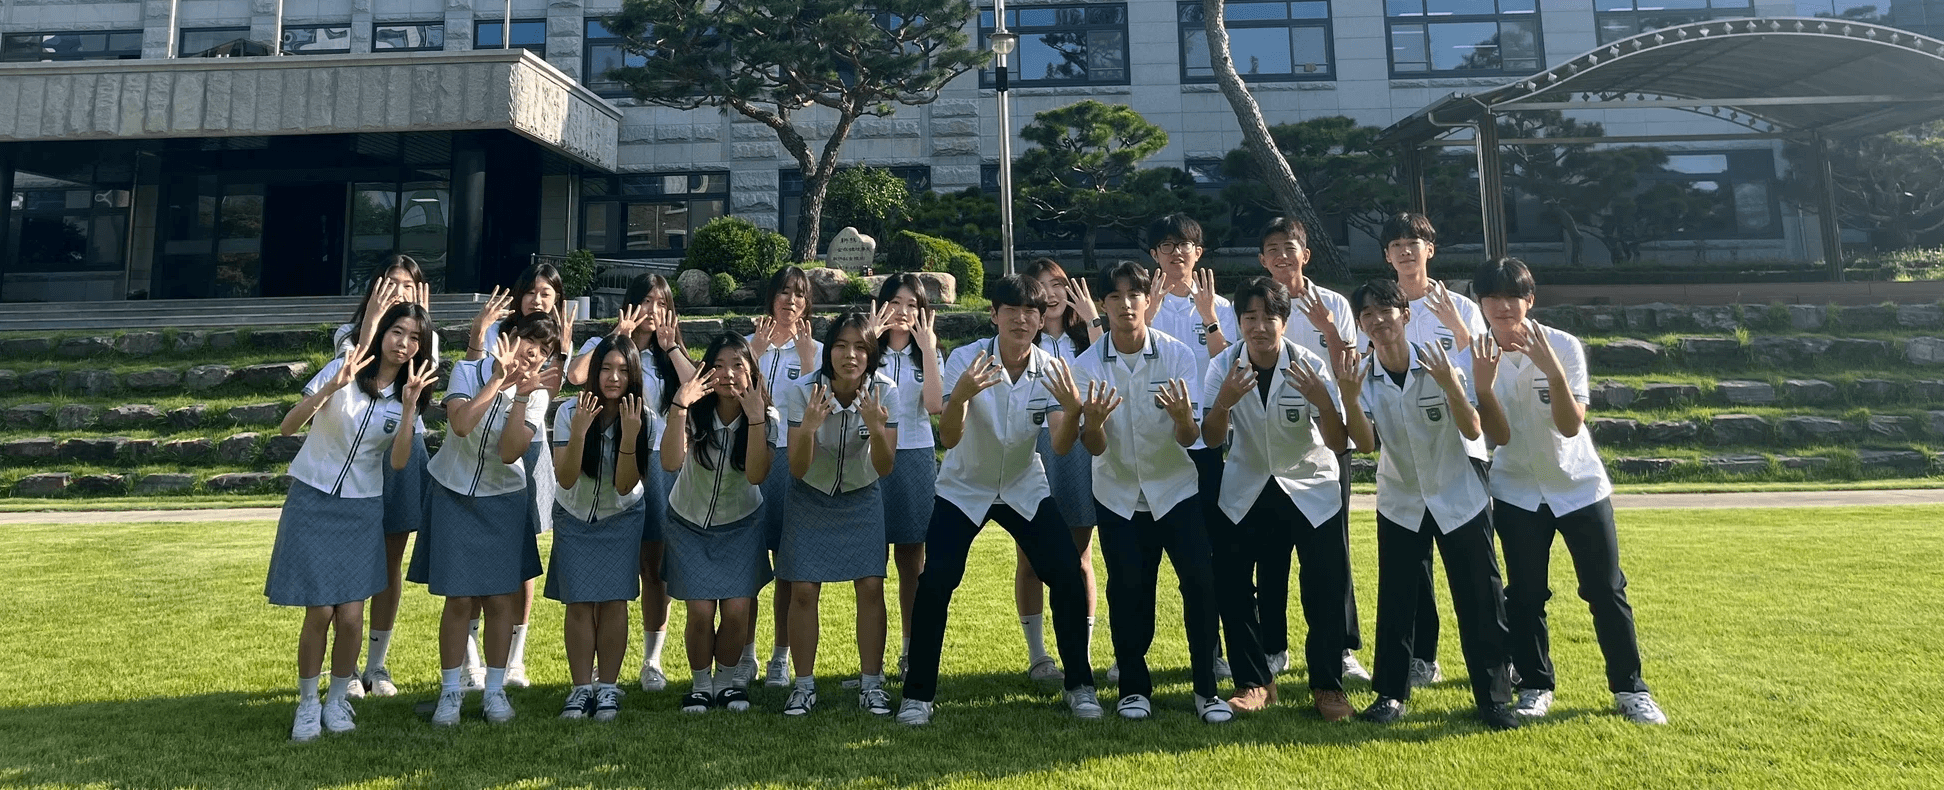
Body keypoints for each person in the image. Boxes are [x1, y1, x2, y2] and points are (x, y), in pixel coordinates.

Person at [1471, 257, 1668, 726]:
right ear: (1480, 303)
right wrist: (1483, 384)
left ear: (1530, 300)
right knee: (1525, 595)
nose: (1502, 306)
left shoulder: (1563, 346)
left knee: (1605, 590)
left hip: (1579, 487)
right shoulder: (1474, 353)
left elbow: (1569, 424)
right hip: (1516, 489)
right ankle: (1536, 685)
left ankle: (1630, 688)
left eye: (1512, 296)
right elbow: (1496, 437)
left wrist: (1552, 371)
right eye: (1492, 297)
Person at [897, 275, 1101, 726]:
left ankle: (1080, 685)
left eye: (1032, 311)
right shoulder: (966, 359)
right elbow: (948, 437)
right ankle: (917, 696)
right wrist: (963, 398)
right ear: (994, 314)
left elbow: (1063, 446)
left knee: (1067, 574)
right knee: (937, 583)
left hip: (1024, 487)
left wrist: (1072, 411)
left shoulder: (1050, 368)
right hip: (964, 487)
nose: (1023, 319)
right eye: (1012, 310)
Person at [1339, 278, 1520, 731]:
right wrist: (1345, 392)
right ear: (1361, 326)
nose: (1378, 321)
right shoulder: (1363, 374)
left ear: (1404, 314)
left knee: (1481, 597)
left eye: (1386, 310)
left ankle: (1494, 698)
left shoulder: (1439, 361)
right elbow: (1363, 445)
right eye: (1367, 315)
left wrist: (1451, 386)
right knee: (1399, 599)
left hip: (1459, 493)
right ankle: (1390, 695)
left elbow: (1475, 430)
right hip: (1400, 498)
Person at [1057, 261, 1229, 723]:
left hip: (1175, 489)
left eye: (1134, 295)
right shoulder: (1086, 365)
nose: (1126, 304)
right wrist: (1091, 423)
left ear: (1145, 300)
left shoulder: (1175, 355)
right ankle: (1134, 686)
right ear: (1103, 306)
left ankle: (1207, 690)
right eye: (1115, 297)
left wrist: (1182, 419)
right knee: (1130, 590)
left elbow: (1190, 438)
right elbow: (1094, 447)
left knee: (1199, 583)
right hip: (1117, 495)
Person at [267, 303, 434, 742]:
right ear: (380, 334)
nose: (404, 343)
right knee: (320, 610)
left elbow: (398, 463)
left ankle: (338, 699)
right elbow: (288, 428)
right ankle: (307, 703)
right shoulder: (342, 369)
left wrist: (412, 408)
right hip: (313, 496)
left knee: (352, 616)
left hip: (362, 507)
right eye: (397, 332)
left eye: (415, 337)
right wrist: (330, 388)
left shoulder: (407, 396)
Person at [1200, 277, 1356, 722]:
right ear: (1239, 322)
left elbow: (1339, 441)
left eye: (1269, 317)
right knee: (1230, 582)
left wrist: (1323, 401)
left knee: (1326, 587)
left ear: (1284, 322)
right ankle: (1254, 682)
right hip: (1247, 486)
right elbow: (1212, 440)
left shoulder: (1308, 364)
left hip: (1309, 487)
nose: (1259, 326)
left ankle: (1328, 686)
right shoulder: (1224, 367)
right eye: (1249, 317)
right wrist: (1224, 403)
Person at [410, 312, 559, 726]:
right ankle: (451, 693)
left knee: (498, 600)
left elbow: (512, 452)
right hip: (452, 493)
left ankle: (494, 692)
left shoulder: (537, 395)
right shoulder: (468, 370)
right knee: (459, 599)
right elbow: (459, 424)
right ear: (508, 337)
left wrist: (524, 396)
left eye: (544, 350)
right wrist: (498, 383)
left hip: (504, 500)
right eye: (530, 340)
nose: (534, 353)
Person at [1253, 217, 1378, 684]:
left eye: (1290, 247)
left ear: (1306, 254)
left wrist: (1325, 327)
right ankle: (1273, 647)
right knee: (1270, 550)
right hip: (1270, 440)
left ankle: (1341, 648)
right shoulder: (1254, 304)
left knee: (1331, 550)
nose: (1282, 256)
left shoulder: (1335, 304)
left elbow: (1350, 362)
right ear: (1262, 260)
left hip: (1328, 437)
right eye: (1273, 249)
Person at [1365, 212, 1484, 687]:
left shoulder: (1460, 308)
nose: (1406, 250)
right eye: (1396, 244)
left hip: (1457, 451)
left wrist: (1458, 329)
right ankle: (1421, 658)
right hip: (1404, 455)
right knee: (1412, 572)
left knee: (1476, 570)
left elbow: (1478, 373)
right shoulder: (1377, 308)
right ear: (1387, 256)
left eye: (1414, 241)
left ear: (1430, 249)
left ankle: (1498, 663)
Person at [564, 274, 695, 693]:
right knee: (619, 562)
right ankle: (597, 671)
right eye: (648, 302)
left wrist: (672, 346)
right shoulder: (606, 350)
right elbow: (575, 377)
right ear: (632, 304)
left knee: (654, 567)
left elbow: (698, 388)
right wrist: (617, 336)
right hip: (605, 459)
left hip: (659, 461)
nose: (655, 311)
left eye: (663, 303)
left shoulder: (666, 355)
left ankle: (652, 659)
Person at [461, 264, 577, 689]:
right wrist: (479, 334)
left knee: (523, 555)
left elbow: (553, 390)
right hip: (479, 452)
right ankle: (470, 657)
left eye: (546, 293)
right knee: (475, 554)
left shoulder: (557, 342)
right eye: (530, 291)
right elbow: (473, 374)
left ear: (557, 301)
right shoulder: (497, 334)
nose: (537, 300)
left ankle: (514, 660)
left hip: (529, 447)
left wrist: (562, 352)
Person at [778, 312, 900, 716]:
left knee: (870, 586)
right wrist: (810, 428)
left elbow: (884, 468)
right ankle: (803, 686)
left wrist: (877, 430)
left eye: (861, 347)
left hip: (862, 494)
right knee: (803, 590)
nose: (851, 355)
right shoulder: (802, 391)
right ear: (828, 352)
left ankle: (871, 685)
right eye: (841, 346)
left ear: (872, 353)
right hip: (809, 494)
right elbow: (796, 468)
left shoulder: (886, 392)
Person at [331, 255, 437, 700]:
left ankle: (377, 664)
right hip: (356, 456)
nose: (399, 292)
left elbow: (424, 391)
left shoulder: (423, 340)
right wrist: (376, 320)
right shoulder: (351, 334)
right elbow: (355, 370)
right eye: (391, 284)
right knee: (353, 559)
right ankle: (347, 667)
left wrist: (422, 327)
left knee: (391, 560)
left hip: (403, 449)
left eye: (408, 286)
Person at [1141, 213, 1237, 681]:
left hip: (1204, 445)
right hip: (1149, 444)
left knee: (1205, 552)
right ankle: (1130, 653)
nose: (1177, 252)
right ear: (1155, 255)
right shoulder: (1142, 305)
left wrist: (1209, 317)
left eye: (1186, 245)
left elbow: (1233, 368)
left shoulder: (1221, 307)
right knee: (1141, 559)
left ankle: (1213, 649)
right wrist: (1150, 314)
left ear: (1199, 253)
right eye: (1167, 245)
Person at [660, 334, 778, 714]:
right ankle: (700, 685)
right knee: (699, 612)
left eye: (739, 366)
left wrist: (757, 419)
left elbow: (758, 474)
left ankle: (726, 684)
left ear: (753, 374)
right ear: (706, 371)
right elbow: (669, 463)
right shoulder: (691, 410)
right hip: (689, 522)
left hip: (741, 523)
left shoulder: (767, 417)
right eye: (720, 366)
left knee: (737, 610)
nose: (728, 375)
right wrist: (680, 405)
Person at [547, 336, 653, 722]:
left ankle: (607, 688)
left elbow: (626, 484)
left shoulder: (645, 418)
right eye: (606, 368)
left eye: (623, 370)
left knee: (613, 602)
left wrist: (628, 436)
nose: (613, 377)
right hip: (574, 515)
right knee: (578, 603)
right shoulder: (567, 412)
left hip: (621, 514)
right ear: (593, 372)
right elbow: (567, 478)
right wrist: (579, 431)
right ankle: (580, 689)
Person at [1014, 258, 1101, 684]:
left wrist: (1093, 320)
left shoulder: (1084, 340)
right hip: (1031, 450)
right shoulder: (1020, 340)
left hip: (1078, 453)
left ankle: (1079, 654)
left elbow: (1109, 369)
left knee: (1080, 556)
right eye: (1042, 285)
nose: (1050, 293)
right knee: (1030, 557)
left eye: (1058, 284)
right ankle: (1038, 656)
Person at [748, 265, 821, 688]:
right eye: (783, 293)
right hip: (752, 461)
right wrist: (754, 352)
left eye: (798, 294)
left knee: (789, 566)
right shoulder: (749, 343)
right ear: (771, 297)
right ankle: (746, 654)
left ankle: (781, 656)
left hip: (794, 462)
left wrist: (810, 360)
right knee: (749, 561)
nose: (790, 301)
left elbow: (819, 404)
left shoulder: (816, 349)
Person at [872, 274, 944, 679]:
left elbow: (935, 405)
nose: (903, 312)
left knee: (911, 564)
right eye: (895, 302)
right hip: (870, 459)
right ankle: (873, 663)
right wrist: (869, 335)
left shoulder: (928, 354)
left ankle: (910, 653)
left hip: (915, 459)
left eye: (912, 304)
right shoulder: (865, 350)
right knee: (871, 566)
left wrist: (929, 350)